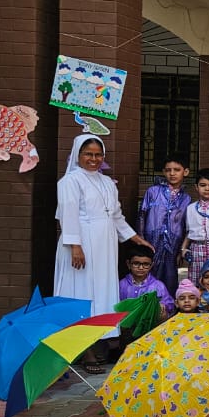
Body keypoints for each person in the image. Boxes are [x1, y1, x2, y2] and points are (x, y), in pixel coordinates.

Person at [55, 135, 152, 371]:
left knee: (101, 292)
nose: (94, 159)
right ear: (78, 155)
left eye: (98, 155)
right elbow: (68, 214)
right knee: (81, 291)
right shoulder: (70, 181)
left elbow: (115, 215)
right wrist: (75, 246)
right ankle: (84, 348)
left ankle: (98, 341)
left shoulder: (107, 182)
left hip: (104, 246)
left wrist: (135, 238)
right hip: (81, 243)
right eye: (88, 154)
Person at [137, 155, 190, 295]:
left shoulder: (186, 198)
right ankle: (147, 305)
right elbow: (142, 215)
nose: (172, 173)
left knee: (170, 277)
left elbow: (186, 226)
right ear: (163, 172)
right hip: (151, 242)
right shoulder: (153, 191)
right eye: (168, 170)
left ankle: (168, 306)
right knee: (149, 275)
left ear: (185, 172)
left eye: (177, 170)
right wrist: (141, 240)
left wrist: (182, 249)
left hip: (173, 244)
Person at [181, 169, 209, 284]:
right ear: (196, 187)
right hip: (196, 249)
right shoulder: (190, 208)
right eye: (203, 185)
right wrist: (183, 249)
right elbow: (189, 233)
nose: (207, 189)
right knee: (196, 281)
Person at [119, 244, 175, 315]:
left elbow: (169, 305)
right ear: (128, 264)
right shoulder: (121, 285)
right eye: (136, 263)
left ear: (151, 265)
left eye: (146, 264)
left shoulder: (158, 286)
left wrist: (162, 306)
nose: (141, 268)